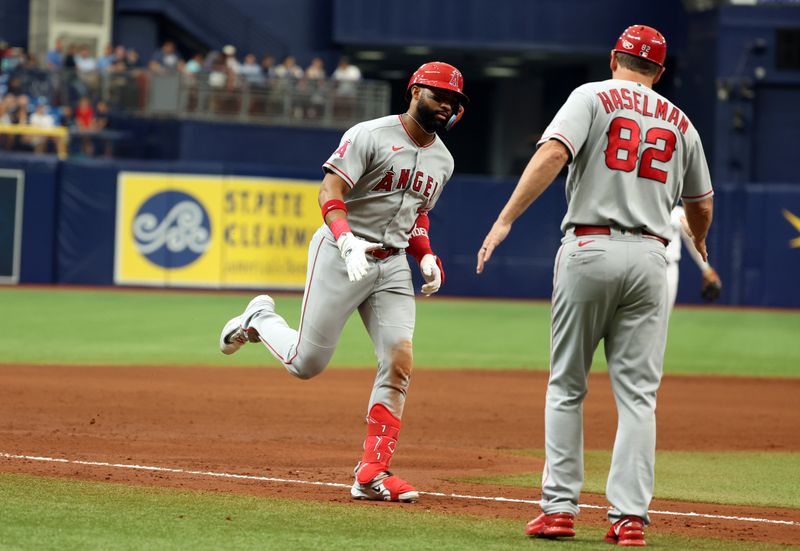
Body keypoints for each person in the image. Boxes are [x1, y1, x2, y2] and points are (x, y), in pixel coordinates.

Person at [476, 25, 713, 546]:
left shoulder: (590, 95)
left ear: (614, 59)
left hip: (590, 247)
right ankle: (628, 519)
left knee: (567, 385)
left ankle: (559, 509)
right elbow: (701, 205)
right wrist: (699, 243)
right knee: (639, 398)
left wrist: (506, 219)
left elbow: (553, 153)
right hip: (654, 256)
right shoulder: (684, 124)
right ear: (661, 72)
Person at [218, 61, 468, 503]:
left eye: (452, 100)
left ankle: (371, 471)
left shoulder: (443, 160)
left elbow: (417, 214)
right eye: (437, 94)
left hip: (392, 266)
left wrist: (426, 255)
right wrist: (346, 240)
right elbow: (330, 190)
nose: (445, 104)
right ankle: (258, 318)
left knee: (400, 360)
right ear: (414, 91)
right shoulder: (369, 134)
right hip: (342, 254)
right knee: (305, 363)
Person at [666, 205, 721, 311]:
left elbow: (692, 242)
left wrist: (706, 268)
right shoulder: (645, 208)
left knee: (664, 317)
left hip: (670, 268)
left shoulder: (678, 212)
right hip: (648, 266)